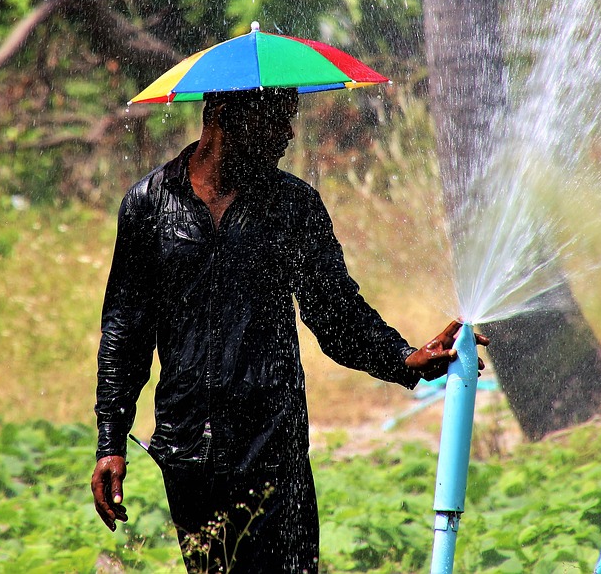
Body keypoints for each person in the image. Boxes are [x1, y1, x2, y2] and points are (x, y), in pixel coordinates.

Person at [91, 87, 488, 573]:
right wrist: (110, 441)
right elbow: (125, 334)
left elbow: (334, 312)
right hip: (188, 450)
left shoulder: (291, 207)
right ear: (222, 116)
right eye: (274, 120)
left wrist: (403, 358)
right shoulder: (148, 206)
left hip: (273, 445)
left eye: (290, 118)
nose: (288, 134)